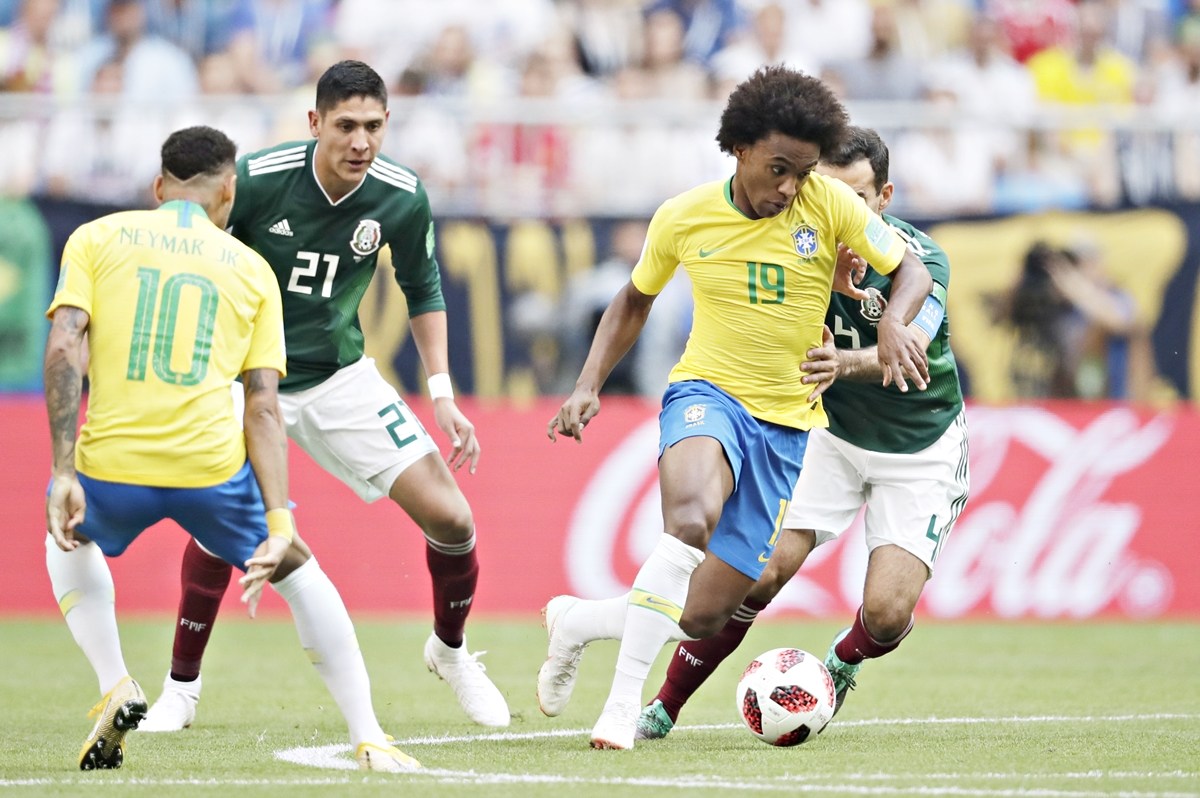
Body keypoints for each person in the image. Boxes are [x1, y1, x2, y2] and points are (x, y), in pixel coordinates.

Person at [539, 67, 934, 751]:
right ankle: (620, 706)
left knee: (701, 615)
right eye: (780, 169)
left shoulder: (828, 205)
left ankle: (576, 621)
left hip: (785, 429)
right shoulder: (684, 216)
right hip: (708, 395)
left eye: (803, 173)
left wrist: (896, 320)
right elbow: (634, 300)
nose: (790, 187)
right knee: (689, 519)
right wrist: (587, 384)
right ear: (741, 148)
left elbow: (914, 269)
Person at [139, 61, 510, 733]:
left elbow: (422, 286)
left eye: (373, 126)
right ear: (315, 124)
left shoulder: (401, 195)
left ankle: (450, 653)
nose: (361, 142)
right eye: (345, 126)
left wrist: (443, 394)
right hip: (251, 379)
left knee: (452, 520)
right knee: (222, 522)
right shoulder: (254, 179)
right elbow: (187, 247)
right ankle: (181, 689)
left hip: (341, 377)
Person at [43, 125, 419, 772]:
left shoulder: (95, 239)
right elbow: (265, 407)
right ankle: (370, 736)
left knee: (64, 539)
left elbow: (63, 346)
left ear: (159, 187)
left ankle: (116, 683)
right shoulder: (251, 270)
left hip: (111, 463)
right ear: (229, 193)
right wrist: (280, 524)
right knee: (301, 575)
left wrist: (62, 469)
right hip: (209, 468)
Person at [633, 126, 970, 741]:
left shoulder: (923, 260)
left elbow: (911, 353)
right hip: (828, 437)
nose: (840, 211)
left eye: (858, 198)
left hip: (919, 446)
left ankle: (842, 660)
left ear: (884, 198)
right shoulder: (796, 240)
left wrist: (843, 361)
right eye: (828, 192)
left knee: (889, 615)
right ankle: (664, 706)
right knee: (757, 574)